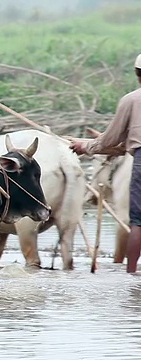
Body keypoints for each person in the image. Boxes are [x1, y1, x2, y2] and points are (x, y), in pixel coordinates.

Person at [69, 53, 141, 273]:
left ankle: (131, 274)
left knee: (138, 222)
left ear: (138, 74)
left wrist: (86, 147)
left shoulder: (132, 100)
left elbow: (111, 139)